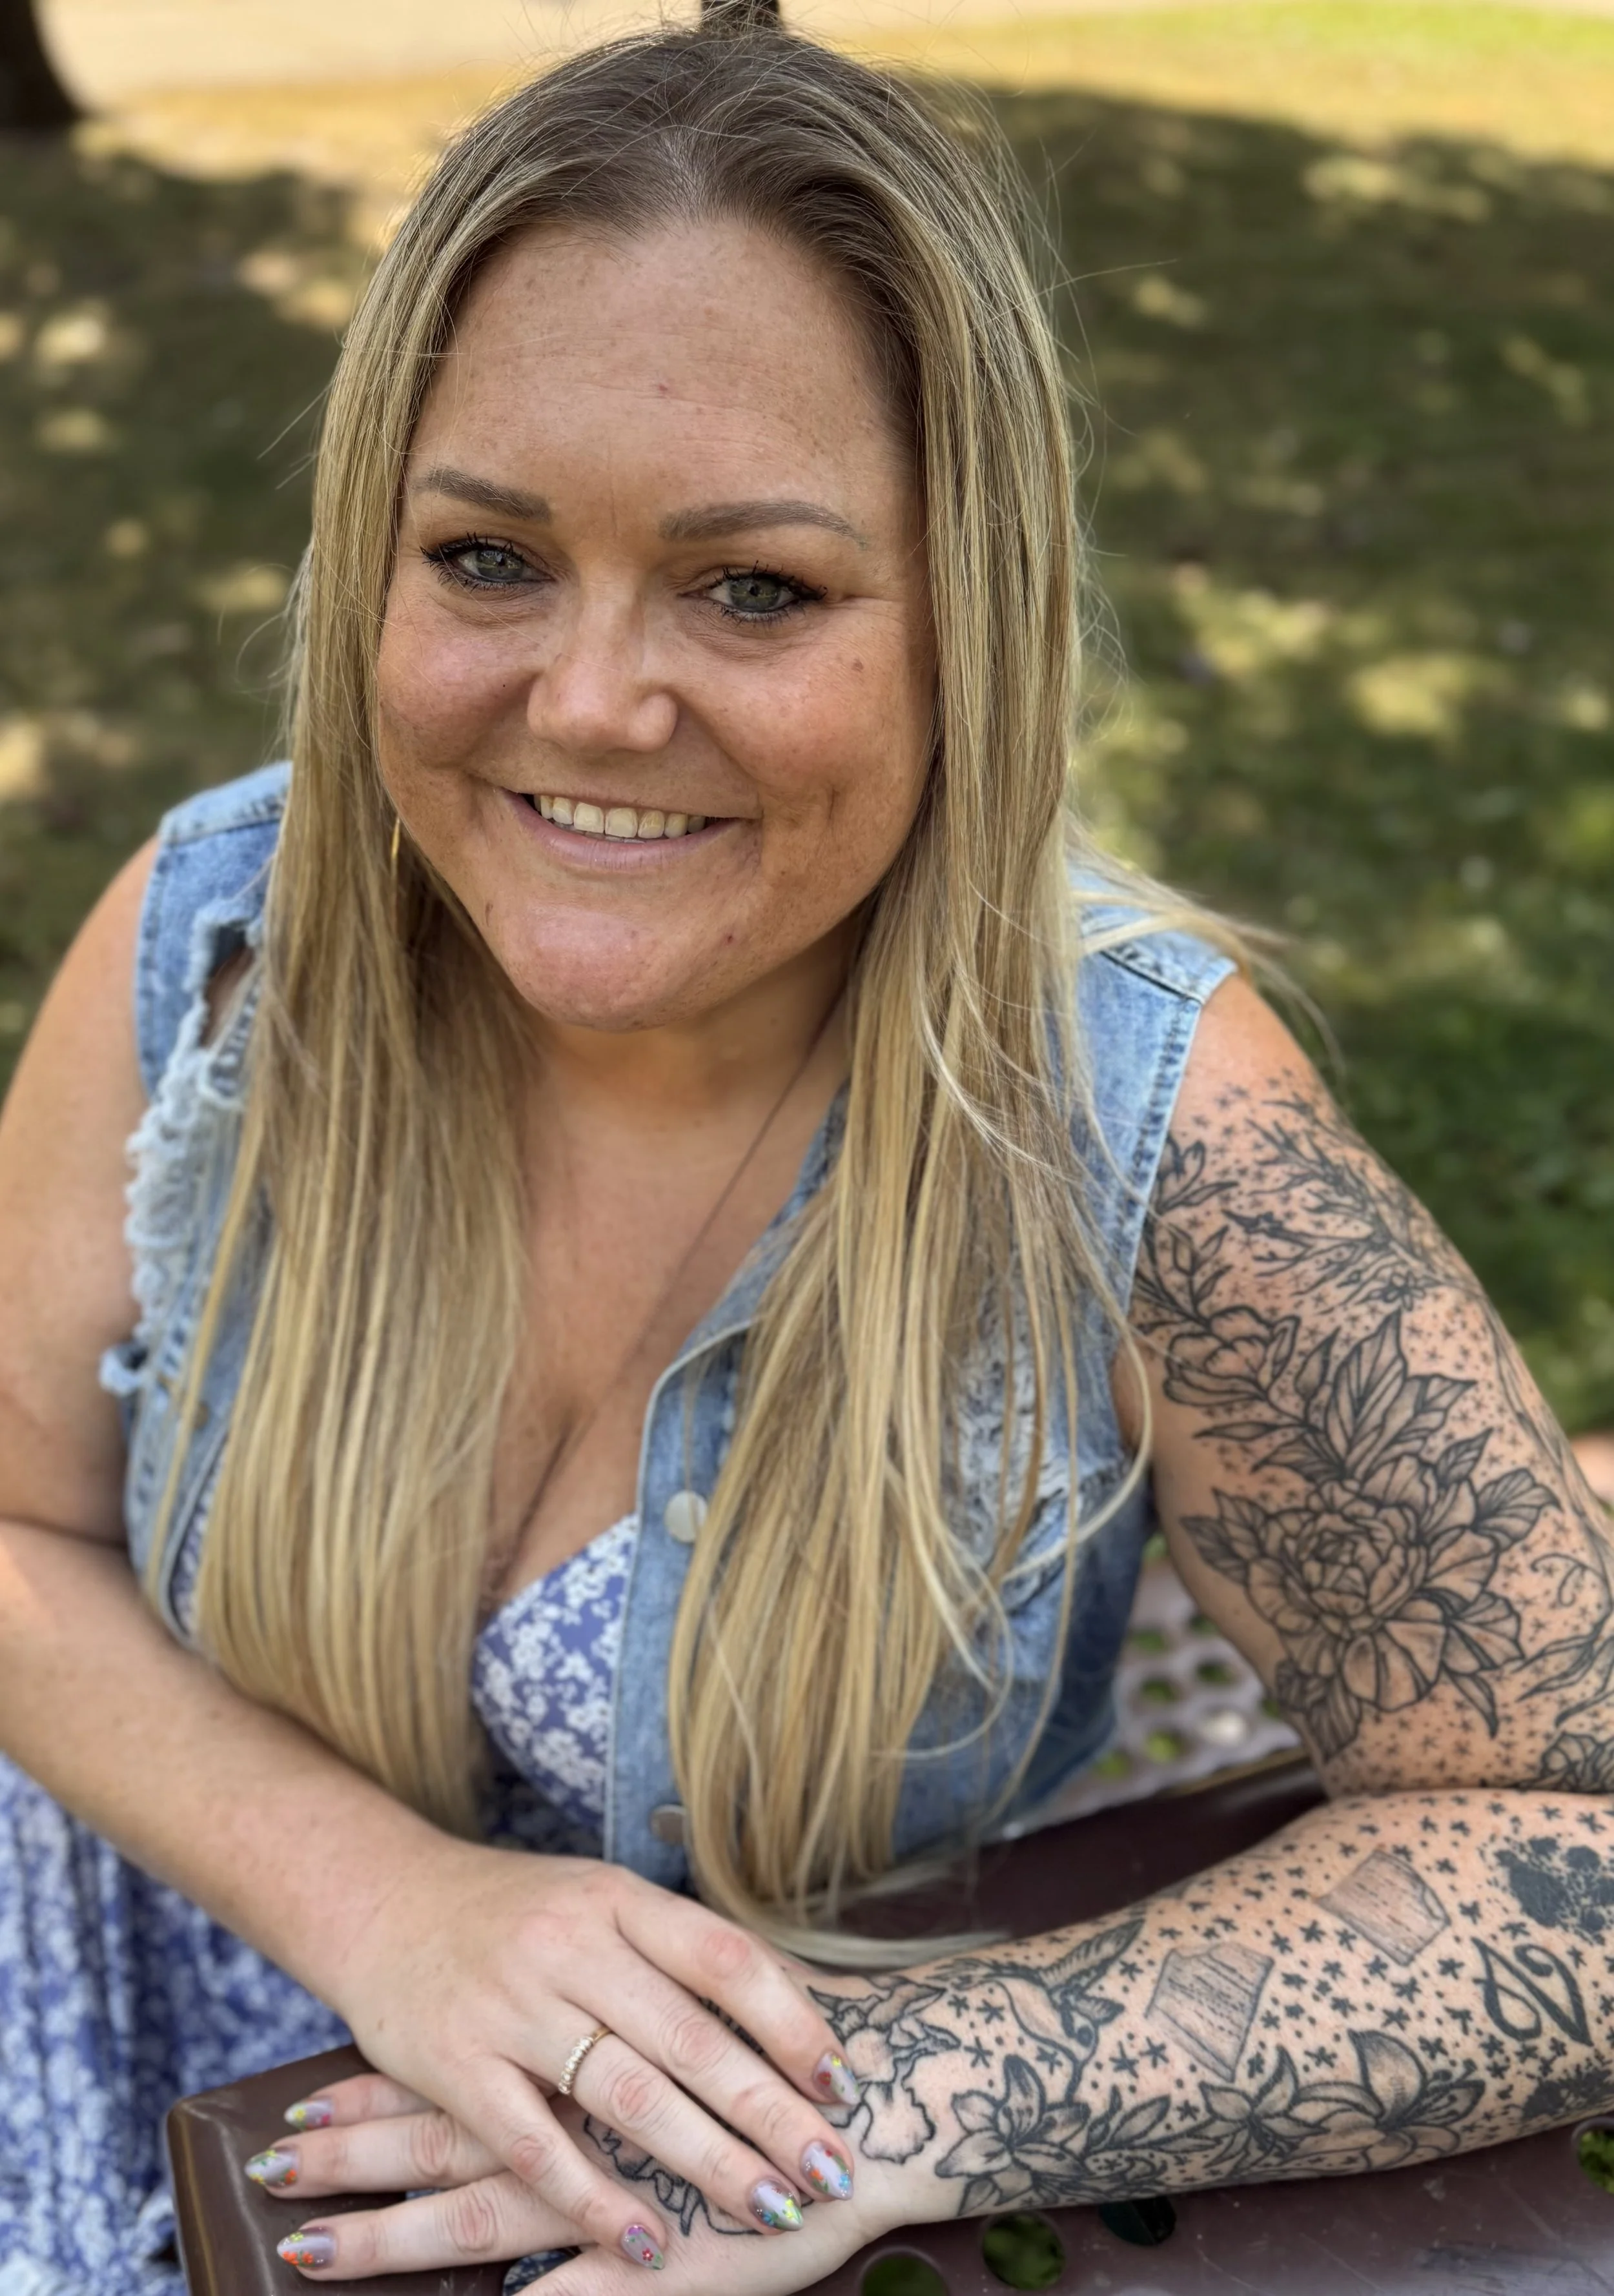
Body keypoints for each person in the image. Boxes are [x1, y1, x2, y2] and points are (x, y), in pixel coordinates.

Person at [3, 18, 1612, 2295]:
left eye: (753, 588)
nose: (585, 703)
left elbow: (1575, 1833)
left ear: (975, 620)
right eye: (485, 558)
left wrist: (879, 2107)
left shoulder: (1152, 1132)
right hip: (92, 2025)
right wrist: (387, 1901)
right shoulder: (214, 942)